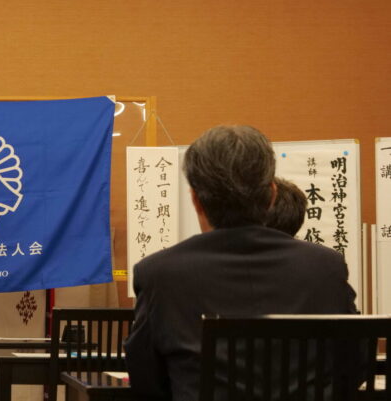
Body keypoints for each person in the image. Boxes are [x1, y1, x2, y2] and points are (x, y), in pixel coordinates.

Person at [125, 125, 357, 401]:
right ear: (272, 194)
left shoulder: (159, 273)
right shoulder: (325, 266)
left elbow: (145, 378)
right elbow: (355, 361)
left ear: (196, 199)